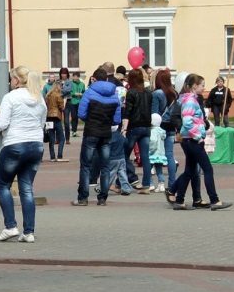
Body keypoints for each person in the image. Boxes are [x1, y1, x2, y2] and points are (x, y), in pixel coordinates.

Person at [0, 66, 46, 243]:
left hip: (15, 144)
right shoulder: (39, 98)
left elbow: (0, 124)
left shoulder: (10, 97)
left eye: (11, 78)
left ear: (16, 80)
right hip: (36, 144)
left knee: (2, 185)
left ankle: (10, 226)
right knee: (27, 188)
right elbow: (42, 122)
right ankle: (28, 231)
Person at [171, 74, 231, 211]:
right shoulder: (190, 101)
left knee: (189, 171)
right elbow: (187, 122)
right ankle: (214, 200)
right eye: (202, 85)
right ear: (194, 86)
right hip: (192, 140)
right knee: (208, 169)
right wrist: (198, 136)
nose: (204, 88)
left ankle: (179, 201)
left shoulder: (189, 99)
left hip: (189, 140)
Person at [75, 68, 121, 207]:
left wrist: (91, 119)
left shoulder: (89, 92)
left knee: (86, 166)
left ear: (94, 78)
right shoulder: (114, 95)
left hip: (91, 131)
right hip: (106, 133)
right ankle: (102, 198)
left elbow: (81, 113)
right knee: (105, 166)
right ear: (107, 79)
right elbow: (117, 119)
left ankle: (83, 198)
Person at [120, 69, 153, 193]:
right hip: (146, 126)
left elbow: (128, 112)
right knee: (145, 157)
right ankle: (146, 185)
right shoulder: (148, 93)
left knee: (124, 155)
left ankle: (125, 181)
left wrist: (124, 128)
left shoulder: (131, 92)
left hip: (134, 126)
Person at [151, 70, 179, 196]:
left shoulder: (157, 93)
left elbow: (155, 113)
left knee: (157, 154)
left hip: (159, 126)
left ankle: (160, 182)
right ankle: (172, 184)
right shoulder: (174, 93)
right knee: (169, 155)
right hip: (171, 126)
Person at [45, 83, 67, 162]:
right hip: (56, 117)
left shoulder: (48, 95)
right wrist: (64, 103)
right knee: (61, 138)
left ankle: (52, 156)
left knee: (51, 138)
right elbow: (61, 107)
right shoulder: (58, 95)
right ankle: (59, 155)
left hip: (49, 117)